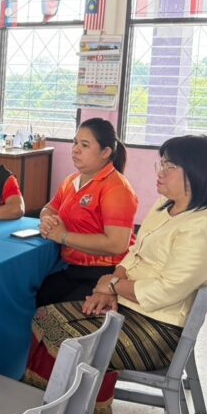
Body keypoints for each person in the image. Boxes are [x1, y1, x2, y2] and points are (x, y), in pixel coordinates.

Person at [24, 134, 207, 414]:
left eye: (170, 166)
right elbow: (133, 254)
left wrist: (114, 286)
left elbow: (163, 292)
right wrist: (108, 286)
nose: (160, 172)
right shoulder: (164, 207)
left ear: (196, 173)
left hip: (159, 329)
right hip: (131, 307)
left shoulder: (204, 228)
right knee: (46, 317)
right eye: (161, 163)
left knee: (74, 343)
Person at [36, 118, 138, 307]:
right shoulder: (72, 180)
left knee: (57, 310)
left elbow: (117, 244)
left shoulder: (117, 188)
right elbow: (49, 208)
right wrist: (47, 221)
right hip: (73, 267)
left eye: (84, 145)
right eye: (75, 143)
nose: (75, 150)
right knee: (38, 295)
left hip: (106, 272)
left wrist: (63, 236)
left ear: (105, 152)